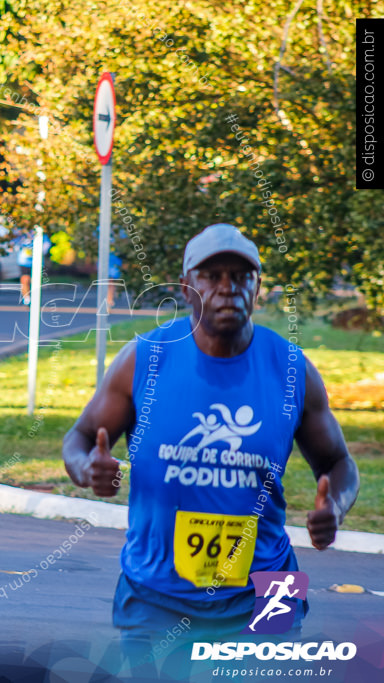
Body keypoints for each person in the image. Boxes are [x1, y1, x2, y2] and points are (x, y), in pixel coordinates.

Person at [61, 223, 359, 670]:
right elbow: (79, 438)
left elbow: (339, 463)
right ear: (186, 287)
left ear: (258, 288)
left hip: (269, 590)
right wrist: (87, 469)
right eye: (212, 276)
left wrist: (334, 507)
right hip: (156, 593)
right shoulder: (145, 359)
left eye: (241, 277)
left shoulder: (292, 370)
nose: (227, 289)